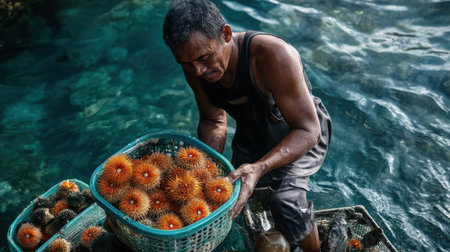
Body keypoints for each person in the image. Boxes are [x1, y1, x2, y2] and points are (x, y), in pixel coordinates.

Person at [162, 0, 331, 251]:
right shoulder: (194, 63)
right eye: (186, 64)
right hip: (252, 134)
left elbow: (309, 129)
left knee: (286, 199)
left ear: (226, 34)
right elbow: (213, 119)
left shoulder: (273, 55)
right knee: (233, 192)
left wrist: (260, 167)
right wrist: (205, 166)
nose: (197, 71)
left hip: (299, 133)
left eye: (204, 58)